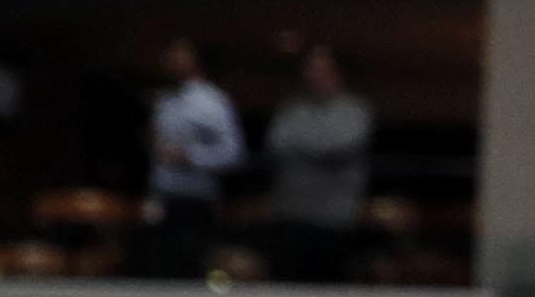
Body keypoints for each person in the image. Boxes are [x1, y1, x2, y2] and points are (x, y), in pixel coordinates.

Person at [266, 45, 374, 275]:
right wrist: (316, 145)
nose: (313, 75)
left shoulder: (354, 111)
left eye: (320, 70)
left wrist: (302, 144)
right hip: (291, 216)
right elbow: (277, 143)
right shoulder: (292, 109)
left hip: (335, 220)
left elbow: (337, 146)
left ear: (336, 73)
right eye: (310, 70)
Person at [144, 40, 244, 270]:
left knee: (191, 267)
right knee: (160, 267)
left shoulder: (212, 102)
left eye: (179, 56)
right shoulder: (167, 101)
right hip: (164, 196)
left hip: (196, 201)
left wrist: (191, 157)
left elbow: (233, 153)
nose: (172, 63)